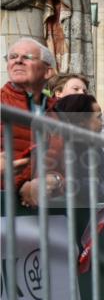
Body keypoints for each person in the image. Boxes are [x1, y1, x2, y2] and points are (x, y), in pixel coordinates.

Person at [2, 37, 56, 194]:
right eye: (13, 57)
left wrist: (56, 180)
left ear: (47, 71)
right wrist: (22, 185)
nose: (18, 61)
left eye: (27, 57)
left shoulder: (60, 111)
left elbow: (73, 162)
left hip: (52, 212)